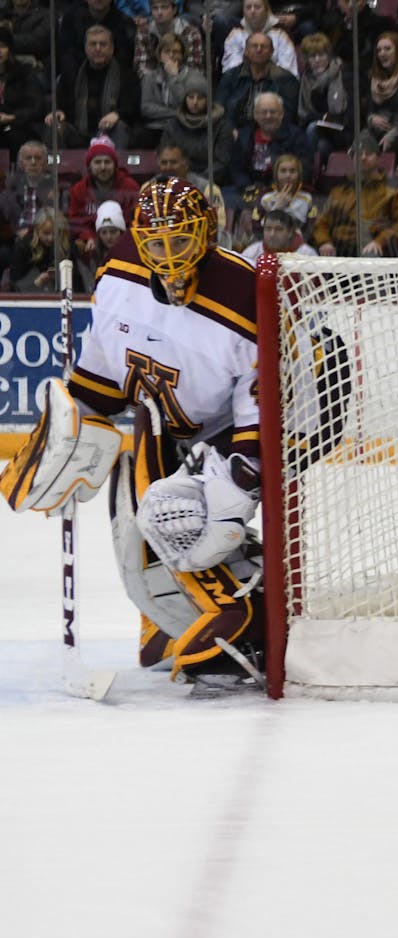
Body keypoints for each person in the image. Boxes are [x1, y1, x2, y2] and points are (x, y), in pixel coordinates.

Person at [0, 177, 265, 682]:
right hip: (165, 420)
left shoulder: (241, 292)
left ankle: (241, 614)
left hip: (232, 430)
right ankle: (166, 618)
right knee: (132, 519)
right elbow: (105, 379)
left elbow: (259, 398)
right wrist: (60, 434)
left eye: (181, 240)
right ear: (139, 240)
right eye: (156, 243)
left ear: (207, 233)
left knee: (173, 513)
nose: (169, 256)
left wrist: (240, 475)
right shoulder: (119, 275)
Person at [312, 132, 398, 257]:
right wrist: (324, 242)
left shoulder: (395, 191)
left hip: (377, 250)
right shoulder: (339, 192)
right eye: (359, 154)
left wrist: (380, 241)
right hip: (340, 250)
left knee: (371, 255)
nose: (363, 157)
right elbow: (321, 222)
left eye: (368, 154)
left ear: (378, 158)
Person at [47, 25, 143, 149]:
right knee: (55, 125)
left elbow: (133, 107)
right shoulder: (72, 72)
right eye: (93, 44)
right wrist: (58, 111)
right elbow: (60, 102)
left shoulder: (126, 74)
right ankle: (57, 168)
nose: (98, 49)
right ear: (86, 48)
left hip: (110, 132)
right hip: (77, 133)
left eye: (103, 44)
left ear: (112, 48)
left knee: (120, 126)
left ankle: (114, 166)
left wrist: (118, 114)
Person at [68, 136, 141, 258]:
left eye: (107, 162)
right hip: (92, 243)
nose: (103, 167)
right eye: (97, 162)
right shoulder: (79, 190)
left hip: (124, 242)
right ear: (89, 165)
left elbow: (137, 220)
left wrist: (122, 239)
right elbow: (76, 221)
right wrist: (88, 237)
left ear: (115, 164)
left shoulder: (130, 187)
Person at [161, 75, 235, 186]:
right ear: (185, 99)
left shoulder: (222, 126)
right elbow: (167, 155)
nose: (195, 102)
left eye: (200, 98)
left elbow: (221, 163)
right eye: (191, 97)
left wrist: (197, 182)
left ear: (208, 100)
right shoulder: (173, 125)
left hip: (211, 183)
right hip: (178, 179)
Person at [296, 31, 352, 163]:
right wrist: (322, 118)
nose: (317, 60)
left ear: (329, 55)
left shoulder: (342, 73)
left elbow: (348, 110)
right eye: (312, 56)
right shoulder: (305, 79)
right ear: (306, 59)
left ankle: (306, 168)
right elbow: (304, 114)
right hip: (319, 132)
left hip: (341, 130)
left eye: (321, 55)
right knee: (319, 143)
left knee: (312, 130)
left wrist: (326, 119)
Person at [7, 207, 86, 294]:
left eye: (56, 233)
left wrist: (63, 277)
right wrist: (36, 282)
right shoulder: (24, 247)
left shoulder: (67, 246)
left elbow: (79, 283)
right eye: (46, 233)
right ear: (37, 230)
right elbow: (14, 283)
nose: (51, 238)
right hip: (32, 299)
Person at [138, 32, 196, 149]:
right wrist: (177, 113)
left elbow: (188, 107)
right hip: (155, 128)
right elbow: (146, 108)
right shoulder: (150, 77)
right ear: (159, 55)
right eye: (167, 51)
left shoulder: (192, 77)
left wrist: (174, 77)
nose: (171, 56)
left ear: (183, 55)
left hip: (182, 126)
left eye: (176, 52)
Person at [221, 0, 300, 75]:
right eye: (248, 7)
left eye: (257, 7)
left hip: (275, 86)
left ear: (266, 11)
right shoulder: (235, 36)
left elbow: (289, 72)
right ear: (243, 12)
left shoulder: (280, 37)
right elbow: (230, 71)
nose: (252, 11)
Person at [0, 27, 44, 157]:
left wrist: (13, 117)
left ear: (10, 50)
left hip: (18, 127)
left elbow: (37, 107)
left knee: (15, 136)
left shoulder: (24, 73)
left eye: (2, 46)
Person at [239, 206, 316, 262]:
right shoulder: (251, 253)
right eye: (268, 229)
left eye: (279, 229)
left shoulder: (308, 254)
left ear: (290, 232)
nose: (272, 234)